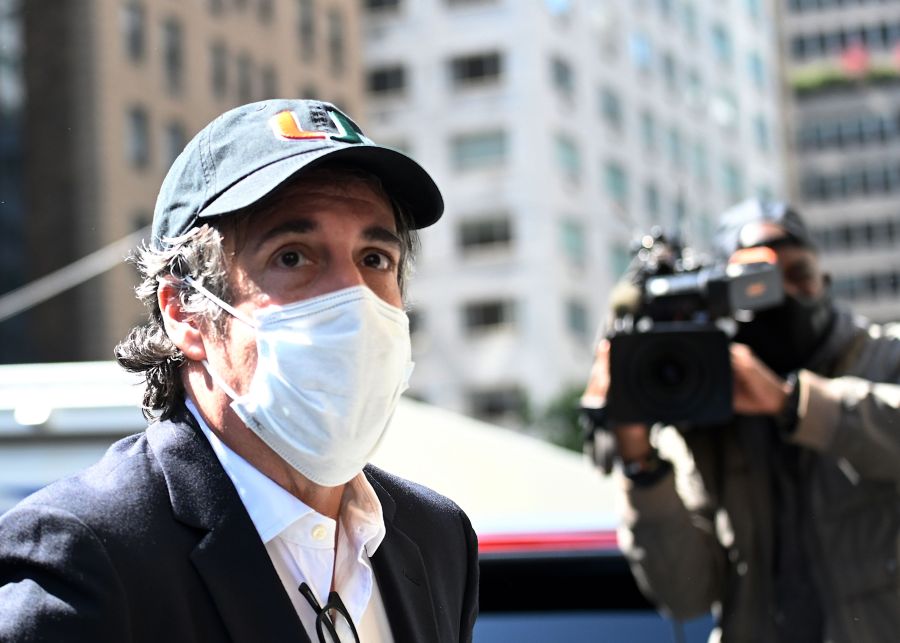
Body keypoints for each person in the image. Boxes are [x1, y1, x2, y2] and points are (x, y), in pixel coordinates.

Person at [0, 99, 478, 642]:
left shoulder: (435, 537)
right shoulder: (85, 556)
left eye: (375, 259)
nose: (353, 299)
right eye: (293, 256)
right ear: (185, 312)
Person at [581, 199, 900, 642]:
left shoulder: (886, 357)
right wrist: (639, 462)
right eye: (757, 283)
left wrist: (792, 403)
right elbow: (684, 596)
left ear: (824, 280)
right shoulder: (706, 406)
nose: (783, 293)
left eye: (797, 274)